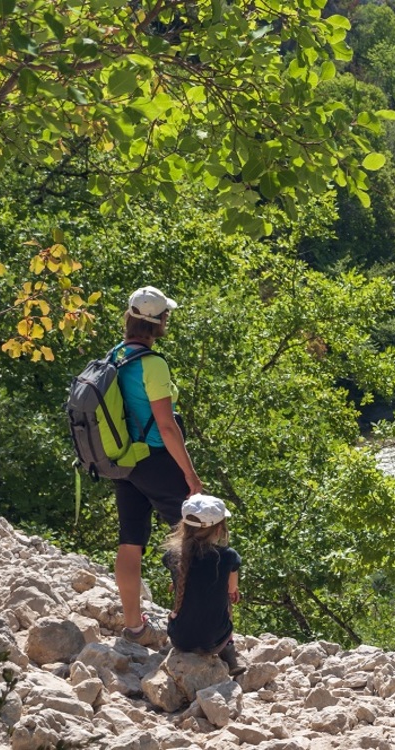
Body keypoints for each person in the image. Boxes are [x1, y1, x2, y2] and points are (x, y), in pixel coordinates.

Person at [113, 286, 204, 648]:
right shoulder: (152, 364)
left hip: (124, 461)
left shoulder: (116, 357)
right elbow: (167, 426)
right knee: (196, 539)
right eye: (167, 315)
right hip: (155, 460)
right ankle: (197, 631)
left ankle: (134, 627)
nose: (169, 320)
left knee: (130, 541)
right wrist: (191, 475)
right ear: (157, 321)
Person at [161, 494, 246, 675]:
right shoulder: (229, 556)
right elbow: (231, 590)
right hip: (215, 640)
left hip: (180, 640)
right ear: (218, 530)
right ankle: (229, 652)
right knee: (227, 599)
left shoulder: (172, 556)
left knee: (183, 592)